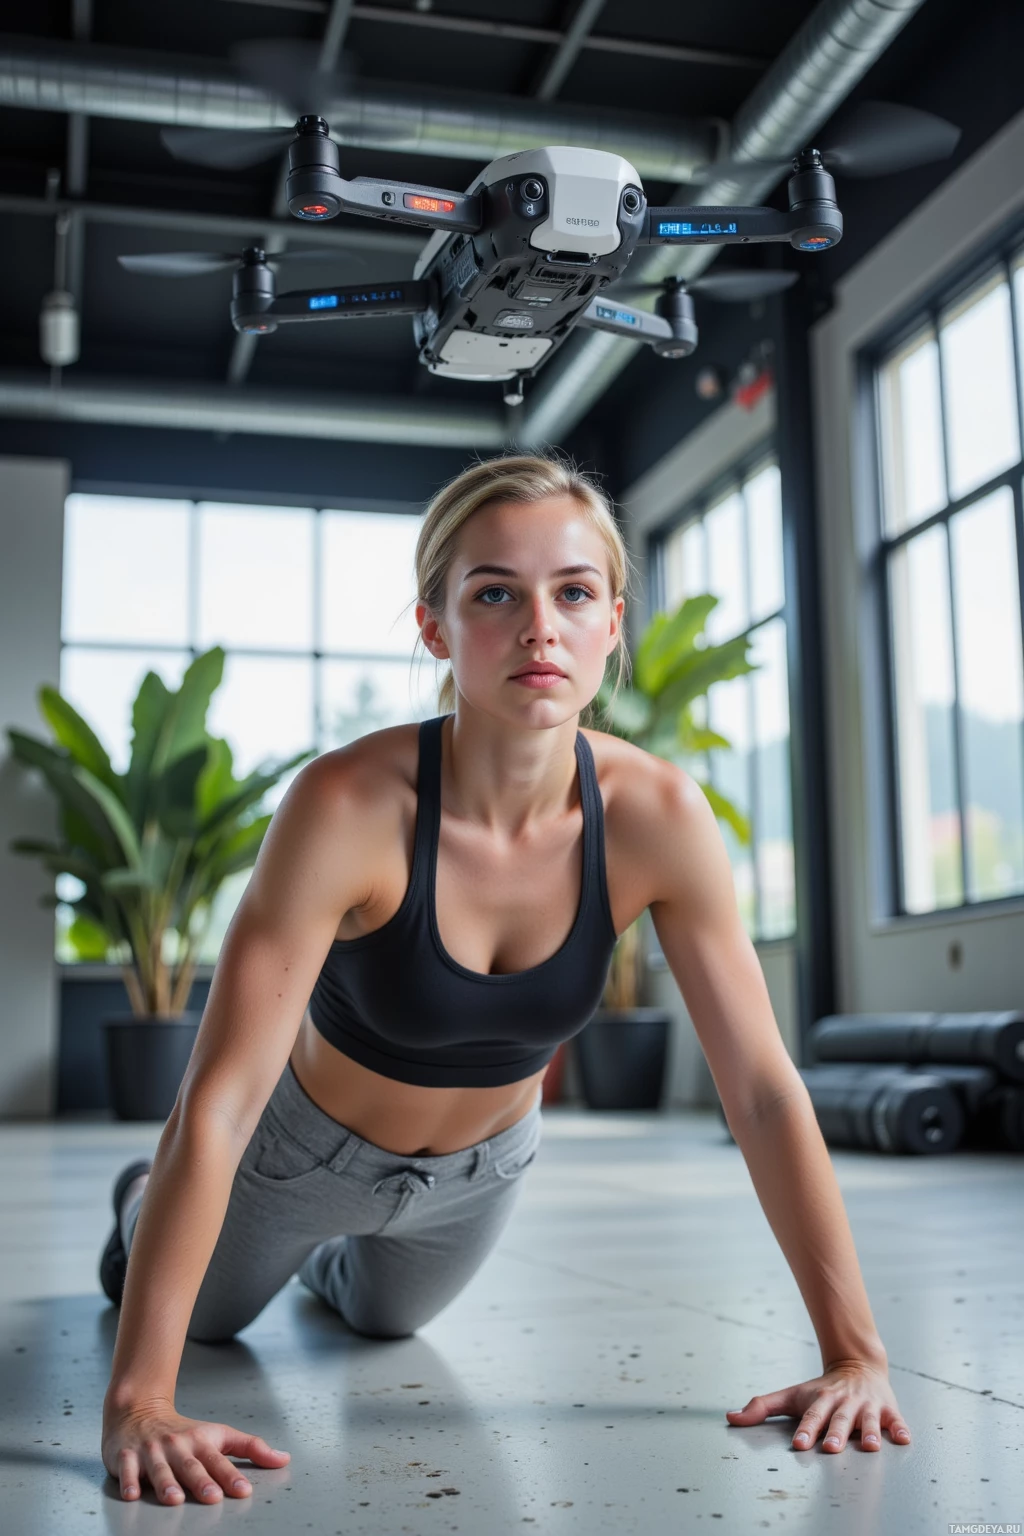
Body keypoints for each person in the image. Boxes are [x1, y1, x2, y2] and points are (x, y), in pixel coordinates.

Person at [99, 452, 912, 1506]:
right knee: (209, 1323)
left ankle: (331, 1260)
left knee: (382, 1321)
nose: (540, 626)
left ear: (610, 622)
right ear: (436, 626)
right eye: (495, 593)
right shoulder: (347, 805)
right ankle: (137, 1206)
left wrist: (856, 1353)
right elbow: (218, 1103)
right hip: (291, 1156)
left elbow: (760, 1088)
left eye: (573, 592)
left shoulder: (658, 816)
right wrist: (139, 1399)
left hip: (476, 1179)